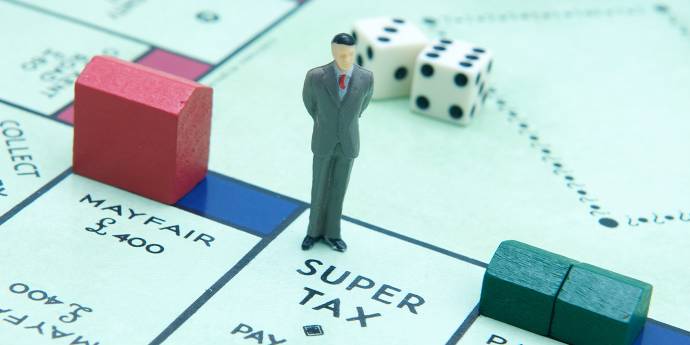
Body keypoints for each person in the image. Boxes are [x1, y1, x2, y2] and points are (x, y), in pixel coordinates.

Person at [301, 32, 374, 252]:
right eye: (341, 54)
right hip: (324, 139)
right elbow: (310, 103)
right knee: (319, 187)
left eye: (350, 54)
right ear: (333, 51)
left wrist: (346, 124)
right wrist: (324, 122)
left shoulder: (366, 77)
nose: (346, 58)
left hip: (349, 142)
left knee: (339, 190)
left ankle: (333, 234)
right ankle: (313, 232)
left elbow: (363, 105)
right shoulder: (315, 76)